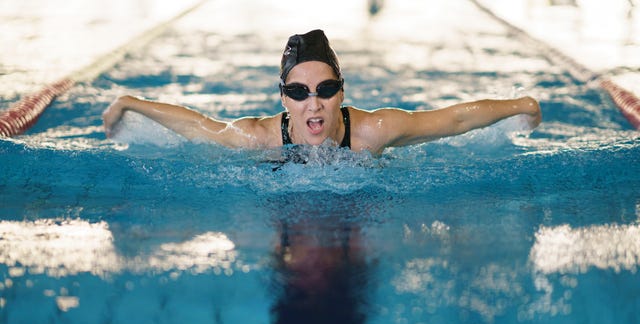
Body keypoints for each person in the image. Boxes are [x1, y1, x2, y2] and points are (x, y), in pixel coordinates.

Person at [103, 29, 542, 155]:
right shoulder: (261, 137)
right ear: (283, 99)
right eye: (298, 92)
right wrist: (128, 102)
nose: (313, 102)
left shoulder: (373, 130)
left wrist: (520, 105)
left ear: (341, 93)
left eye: (325, 89)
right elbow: (199, 126)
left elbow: (455, 118)